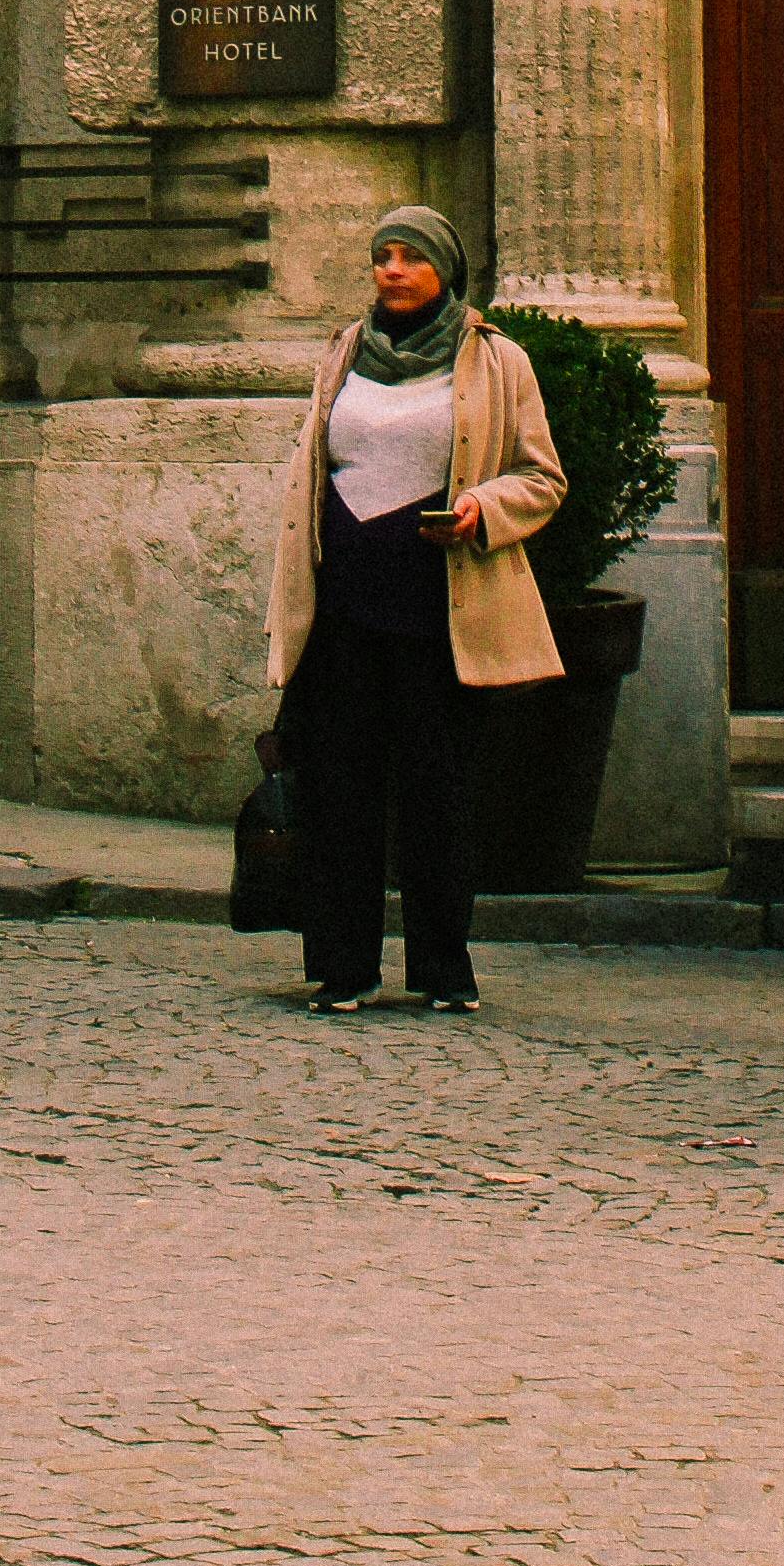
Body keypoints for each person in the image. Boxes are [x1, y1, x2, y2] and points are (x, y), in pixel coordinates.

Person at [264, 207, 565, 1017]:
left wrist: (483, 508)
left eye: (411, 259)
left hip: (440, 606)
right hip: (345, 606)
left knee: (438, 791)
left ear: (445, 269)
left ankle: (443, 968)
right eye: (381, 257)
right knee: (339, 789)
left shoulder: (496, 359)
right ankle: (343, 966)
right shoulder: (344, 351)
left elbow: (543, 477)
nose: (392, 271)